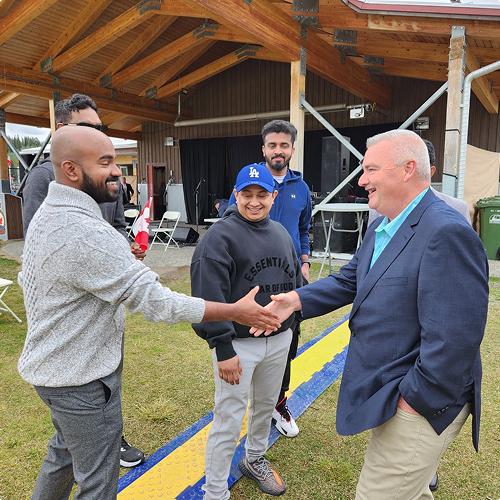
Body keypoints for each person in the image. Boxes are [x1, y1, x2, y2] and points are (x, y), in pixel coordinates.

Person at [18, 126, 281, 500]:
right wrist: (234, 311)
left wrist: (117, 261)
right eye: (106, 162)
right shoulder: (85, 231)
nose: (117, 171)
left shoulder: (51, 213)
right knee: (97, 479)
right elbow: (159, 303)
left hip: (55, 372)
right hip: (80, 380)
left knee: (62, 455)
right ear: (71, 170)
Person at [254, 130, 489, 499]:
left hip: (419, 402)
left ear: (407, 169)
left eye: (371, 170)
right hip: (392, 389)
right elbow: (351, 278)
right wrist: (295, 300)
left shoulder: (446, 232)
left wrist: (413, 402)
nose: (361, 180)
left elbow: (455, 340)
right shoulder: (384, 223)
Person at [21, 93, 145, 467]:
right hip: (73, 304)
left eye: (99, 128)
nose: (97, 134)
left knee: (107, 377)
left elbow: (117, 224)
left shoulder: (106, 173)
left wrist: (124, 247)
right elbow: (40, 244)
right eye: (87, 127)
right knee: (80, 390)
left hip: (108, 296)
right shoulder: (44, 178)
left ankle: (109, 436)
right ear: (63, 129)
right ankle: (99, 440)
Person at [191, 163, 302, 500]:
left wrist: (289, 332)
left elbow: (295, 287)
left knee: (265, 407)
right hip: (238, 345)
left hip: (278, 340)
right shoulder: (219, 238)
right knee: (228, 417)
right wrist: (223, 348)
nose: (255, 201)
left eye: (262, 194)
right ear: (235, 195)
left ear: (274, 196)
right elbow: (207, 299)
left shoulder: (281, 233)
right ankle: (215, 492)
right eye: (247, 194)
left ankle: (254, 459)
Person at [228, 119, 312, 438]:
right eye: (272, 145)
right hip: (252, 278)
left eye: (284, 145)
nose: (278, 150)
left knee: (286, 343)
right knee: (248, 340)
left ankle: (278, 403)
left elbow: (304, 230)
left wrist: (304, 262)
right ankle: (244, 400)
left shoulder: (301, 189)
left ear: (292, 149)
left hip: (289, 280)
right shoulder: (250, 182)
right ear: (263, 148)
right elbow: (232, 223)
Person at [368, 138, 471, 227]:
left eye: (414, 169)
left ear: (431, 171)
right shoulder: (378, 208)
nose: (409, 174)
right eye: (404, 168)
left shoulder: (457, 208)